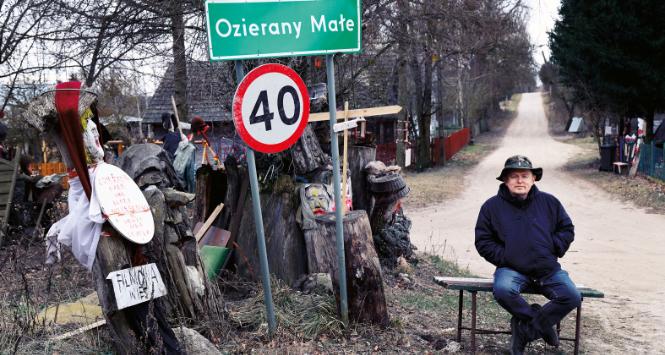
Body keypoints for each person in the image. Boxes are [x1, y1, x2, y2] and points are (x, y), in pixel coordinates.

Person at [475, 155, 580, 355]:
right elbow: (483, 241)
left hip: (546, 268)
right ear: (505, 181)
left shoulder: (550, 203)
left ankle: (525, 331)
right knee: (504, 290)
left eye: (525, 175)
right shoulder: (491, 207)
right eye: (514, 176)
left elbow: (566, 229)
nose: (520, 180)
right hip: (511, 269)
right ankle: (543, 324)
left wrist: (552, 248)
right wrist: (506, 257)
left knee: (571, 296)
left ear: (534, 179)